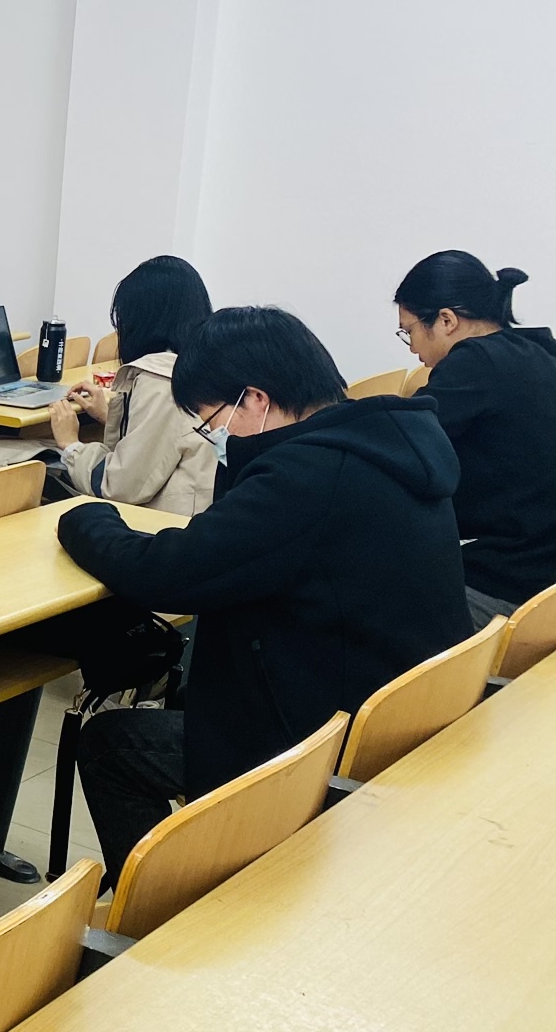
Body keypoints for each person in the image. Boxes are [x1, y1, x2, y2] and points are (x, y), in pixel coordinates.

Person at [58, 306, 472, 883]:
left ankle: (165, 910)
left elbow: (168, 574)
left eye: (213, 420)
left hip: (319, 745)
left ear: (255, 399)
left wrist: (86, 516)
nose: (218, 438)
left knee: (112, 745)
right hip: (398, 720)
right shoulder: (391, 443)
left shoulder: (305, 477)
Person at [394, 252, 556, 628]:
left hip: (513, 586)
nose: (413, 348)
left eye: (409, 331)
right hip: (546, 583)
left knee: (357, 602)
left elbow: (403, 435)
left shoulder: (474, 363)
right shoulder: (539, 352)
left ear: (446, 320)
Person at [48, 255, 217, 516]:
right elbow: (170, 438)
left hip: (166, 525)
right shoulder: (203, 364)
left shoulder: (161, 381)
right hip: (198, 512)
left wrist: (71, 445)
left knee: (48, 483)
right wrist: (111, 416)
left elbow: (119, 486)